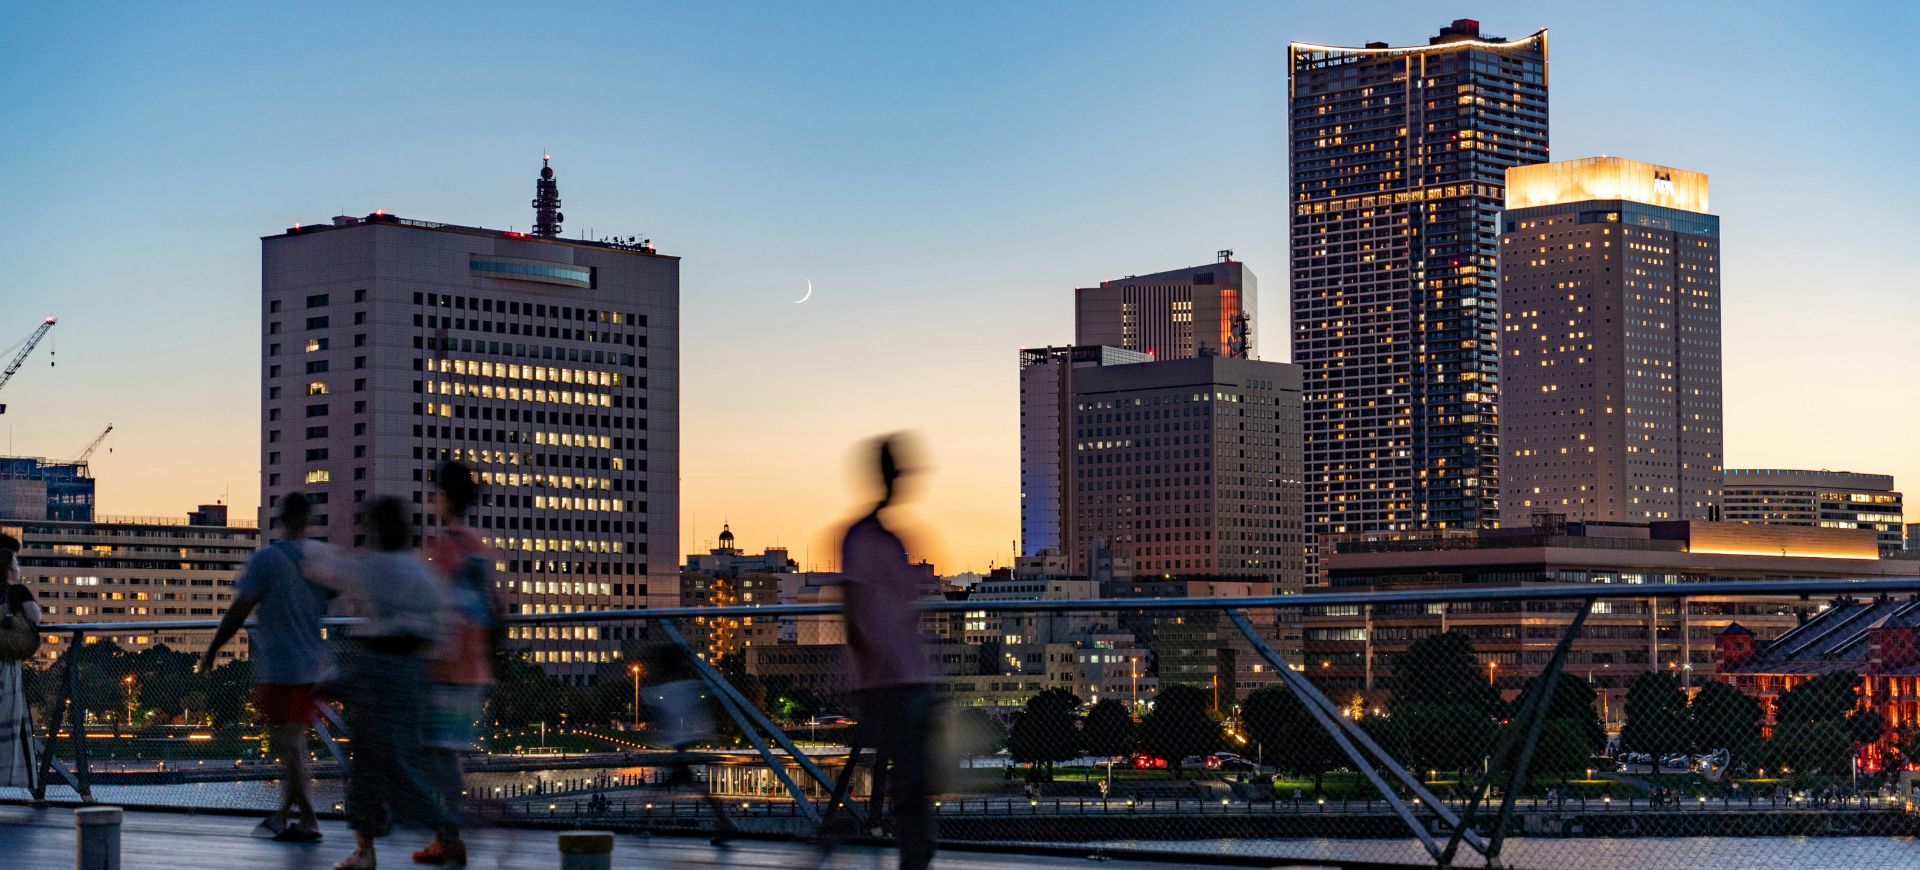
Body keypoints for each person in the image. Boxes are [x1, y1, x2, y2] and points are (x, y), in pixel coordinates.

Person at [318, 498, 465, 870]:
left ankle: (381, 846)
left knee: (374, 763)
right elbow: (439, 626)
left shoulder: (373, 566)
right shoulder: (420, 572)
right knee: (396, 760)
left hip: (376, 667)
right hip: (412, 670)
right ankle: (435, 833)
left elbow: (328, 571)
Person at [202, 493, 334, 842]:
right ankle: (299, 818)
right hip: (313, 664)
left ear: (279, 520)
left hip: (280, 665)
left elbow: (239, 611)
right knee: (294, 744)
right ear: (309, 520)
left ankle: (296, 820)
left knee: (288, 744)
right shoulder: (321, 558)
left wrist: (213, 649)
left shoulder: (266, 560)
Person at [834, 435, 937, 870]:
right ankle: (911, 846)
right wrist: (869, 661)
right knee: (907, 771)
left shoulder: (891, 540)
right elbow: (854, 610)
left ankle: (909, 843)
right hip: (890, 678)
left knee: (906, 770)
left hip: (906, 675)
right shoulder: (865, 539)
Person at [414, 462, 502, 864]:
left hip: (445, 665)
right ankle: (449, 831)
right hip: (475, 664)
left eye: (436, 493)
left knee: (439, 755)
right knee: (446, 753)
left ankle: (451, 833)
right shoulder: (478, 547)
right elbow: (494, 607)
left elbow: (436, 604)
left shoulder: (444, 545)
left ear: (446, 498)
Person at [641, 642, 735, 843]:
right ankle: (724, 822)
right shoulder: (688, 687)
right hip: (687, 743)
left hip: (682, 746)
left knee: (668, 786)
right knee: (690, 786)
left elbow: (662, 714)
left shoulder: (668, 690)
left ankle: (644, 823)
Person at [0, 534, 41, 792]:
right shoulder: (17, 592)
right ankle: (18, 781)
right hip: (5, 668)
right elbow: (36, 618)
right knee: (9, 728)